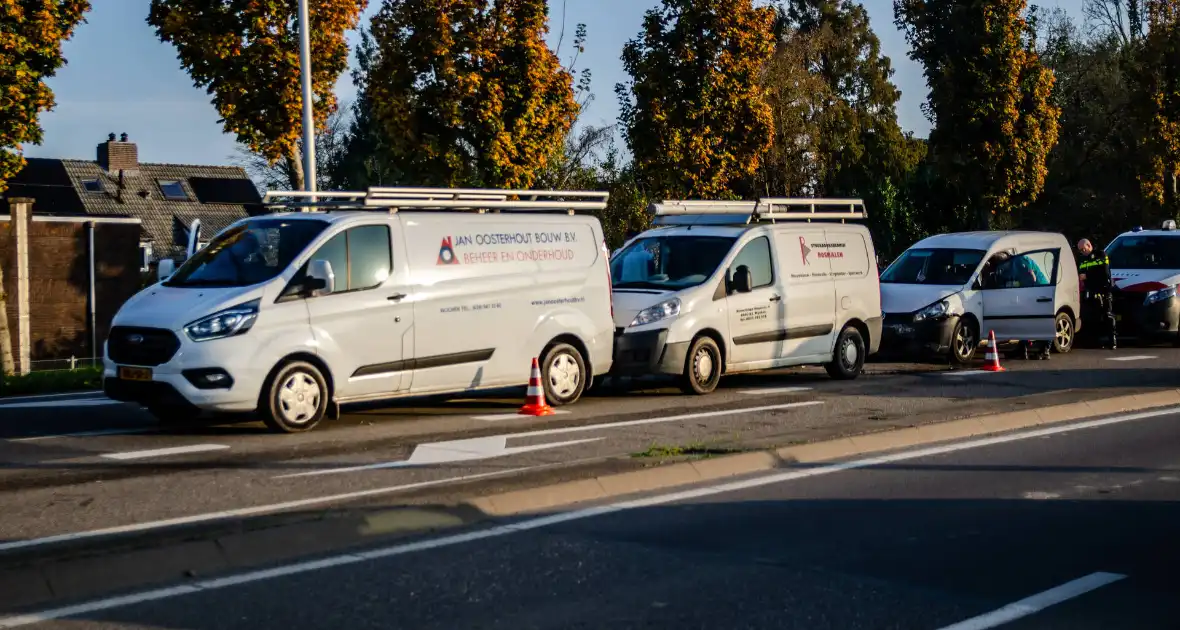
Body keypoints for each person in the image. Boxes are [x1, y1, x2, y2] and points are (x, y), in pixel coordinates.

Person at [1077, 238, 1117, 349]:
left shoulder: (1101, 254)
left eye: (1083, 249)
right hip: (1091, 291)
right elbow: (1081, 274)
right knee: (1093, 318)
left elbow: (1104, 273)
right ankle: (1096, 341)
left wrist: (1088, 276)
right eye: (1080, 250)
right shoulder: (1082, 260)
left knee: (1108, 315)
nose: (1082, 251)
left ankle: (1112, 340)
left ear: (1089, 245)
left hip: (1103, 289)